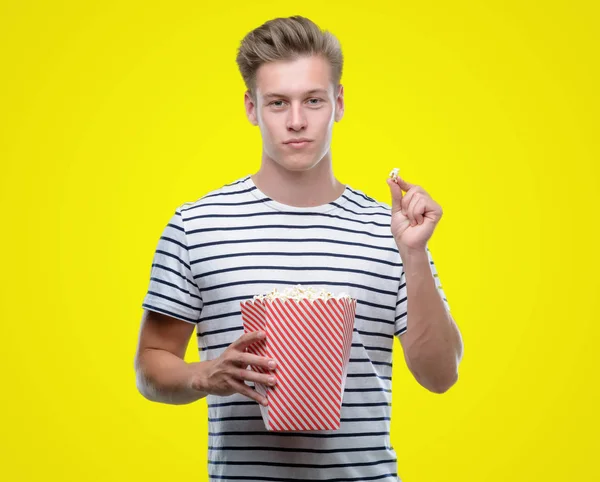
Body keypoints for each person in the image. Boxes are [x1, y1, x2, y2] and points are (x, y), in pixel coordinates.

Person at [134, 15, 463, 482]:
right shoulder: (196, 225)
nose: (296, 122)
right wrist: (203, 374)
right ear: (251, 107)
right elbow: (150, 364)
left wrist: (412, 253)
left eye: (313, 100)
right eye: (277, 103)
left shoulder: (388, 229)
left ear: (339, 102)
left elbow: (440, 376)